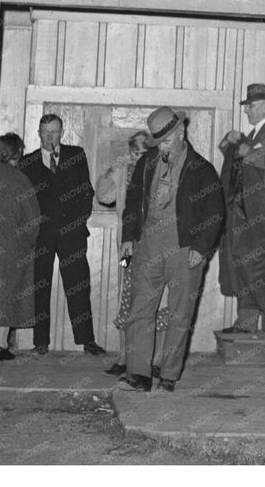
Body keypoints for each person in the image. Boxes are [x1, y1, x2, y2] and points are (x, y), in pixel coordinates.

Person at [117, 106, 225, 393]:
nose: (161, 147)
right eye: (157, 142)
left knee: (180, 313)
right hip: (148, 247)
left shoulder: (201, 170)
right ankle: (138, 374)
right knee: (139, 308)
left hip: (184, 247)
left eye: (165, 141)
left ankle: (169, 374)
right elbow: (132, 201)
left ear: (180, 133)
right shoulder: (146, 164)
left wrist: (201, 248)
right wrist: (129, 236)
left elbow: (215, 213)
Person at [21, 113, 105, 355]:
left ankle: (87, 341)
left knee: (78, 286)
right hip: (40, 237)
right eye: (45, 132)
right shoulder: (28, 162)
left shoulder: (76, 155)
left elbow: (85, 191)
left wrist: (78, 222)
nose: (49, 137)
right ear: (38, 133)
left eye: (54, 132)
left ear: (62, 132)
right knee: (40, 287)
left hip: (72, 234)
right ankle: (40, 342)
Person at [217, 83, 265, 333]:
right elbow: (233, 155)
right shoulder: (256, 133)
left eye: (253, 106)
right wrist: (230, 141)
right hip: (247, 207)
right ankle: (252, 315)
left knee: (251, 258)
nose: (248, 111)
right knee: (245, 258)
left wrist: (248, 153)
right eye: (247, 107)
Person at [95, 130, 153, 377]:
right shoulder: (123, 172)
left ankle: (148, 360)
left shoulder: (158, 171)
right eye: (135, 152)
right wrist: (109, 173)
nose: (139, 157)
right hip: (127, 246)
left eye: (143, 153)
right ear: (130, 153)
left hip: (152, 244)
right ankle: (123, 357)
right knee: (124, 296)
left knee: (151, 298)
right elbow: (103, 197)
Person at [0, 133, 42, 361]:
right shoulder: (19, 179)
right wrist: (27, 241)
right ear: (16, 154)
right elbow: (33, 217)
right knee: (5, 296)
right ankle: (0, 346)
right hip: (11, 247)